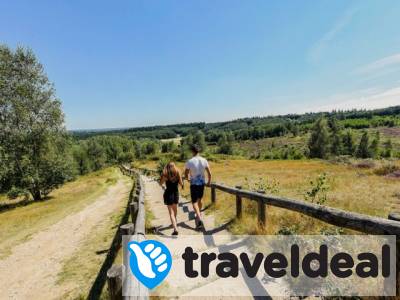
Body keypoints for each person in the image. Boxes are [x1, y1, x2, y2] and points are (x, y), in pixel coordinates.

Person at [184, 144, 212, 230]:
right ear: (198, 151)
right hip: (202, 183)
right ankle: (199, 213)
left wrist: (188, 179)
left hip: (194, 184)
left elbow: (186, 173)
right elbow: (209, 173)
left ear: (192, 151)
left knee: (194, 202)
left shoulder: (190, 161)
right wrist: (209, 182)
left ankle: (199, 218)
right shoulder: (204, 160)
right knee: (200, 199)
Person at [160, 162, 183, 235]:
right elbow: (181, 183)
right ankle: (174, 223)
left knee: (171, 213)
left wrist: (163, 186)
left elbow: (160, 183)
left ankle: (175, 228)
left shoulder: (165, 174)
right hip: (175, 193)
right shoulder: (177, 173)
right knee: (175, 210)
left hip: (168, 193)